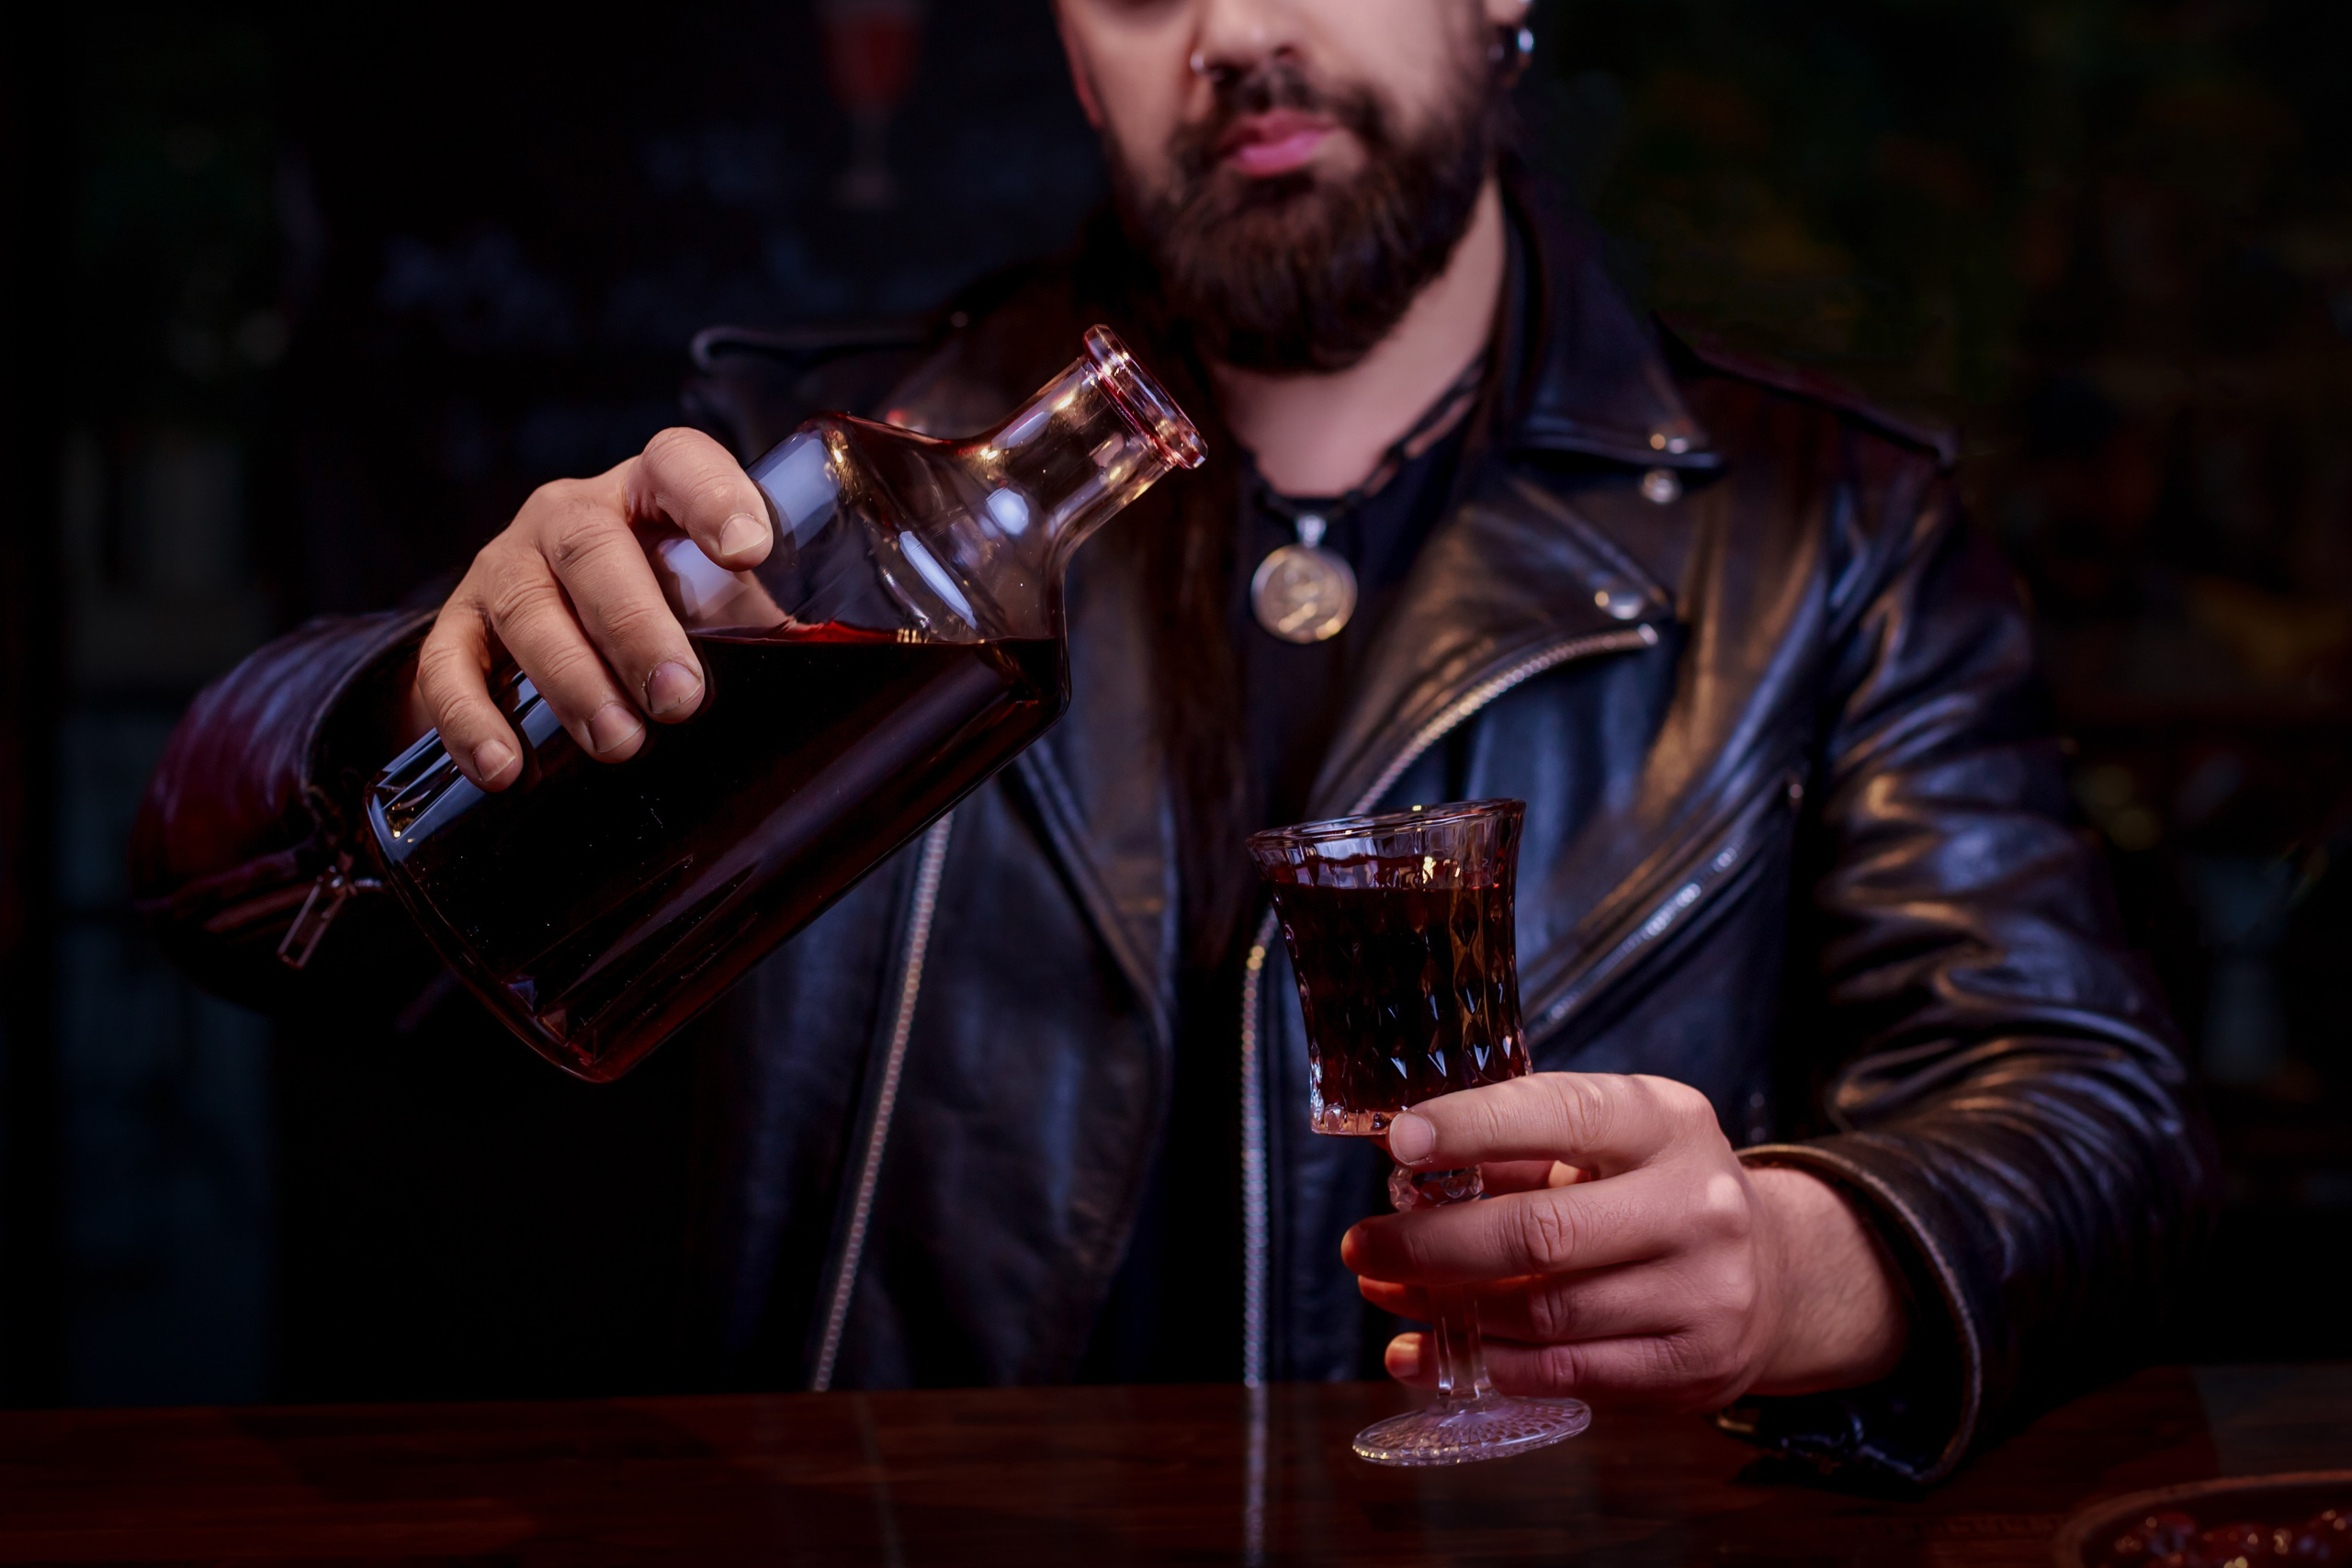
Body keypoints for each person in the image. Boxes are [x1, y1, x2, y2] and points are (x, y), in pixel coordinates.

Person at [132, 0, 2213, 1484]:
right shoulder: (806, 492)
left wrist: (1802, 1266)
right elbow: (241, 910)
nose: (1226, 29)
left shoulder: (1825, 531)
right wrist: (415, 708)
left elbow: (2092, 1114)